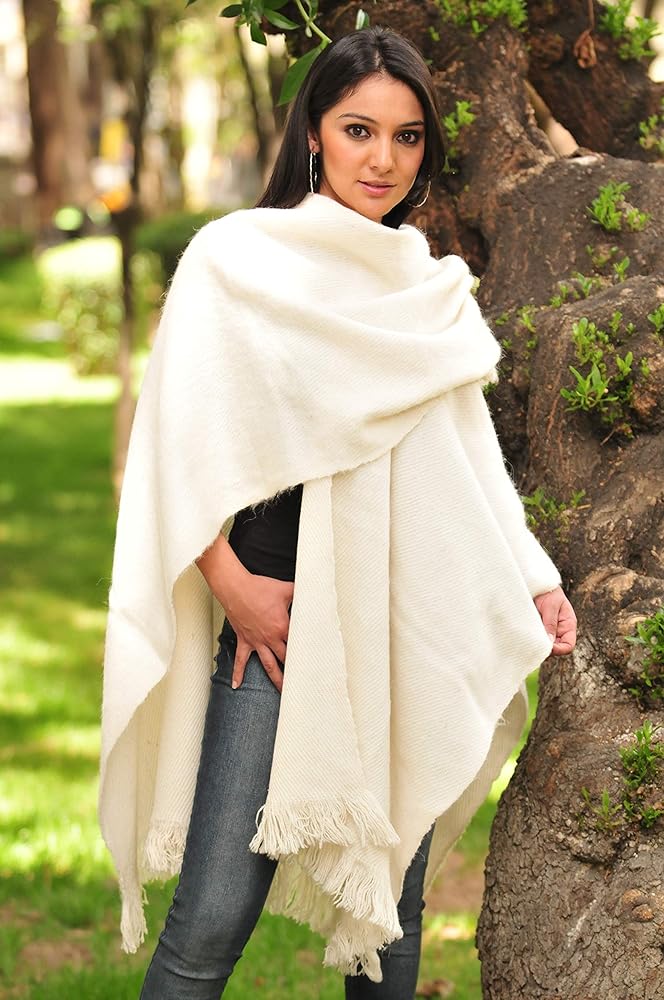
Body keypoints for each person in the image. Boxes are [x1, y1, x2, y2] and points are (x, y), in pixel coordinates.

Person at [98, 25, 577, 1000]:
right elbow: (175, 443)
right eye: (359, 130)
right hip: (271, 625)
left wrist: (535, 577)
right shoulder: (236, 260)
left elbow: (469, 460)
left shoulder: (425, 286)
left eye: (407, 137)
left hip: (397, 622)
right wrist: (233, 587)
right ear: (313, 132)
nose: (383, 159)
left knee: (388, 925)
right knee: (210, 920)